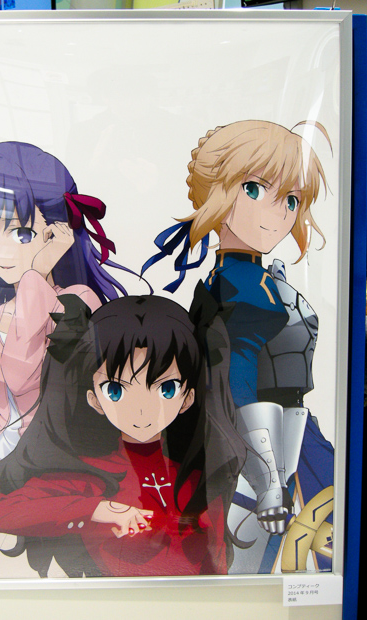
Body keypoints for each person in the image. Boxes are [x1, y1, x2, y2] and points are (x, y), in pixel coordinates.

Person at [142, 120, 334, 572]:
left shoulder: (253, 281)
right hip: (258, 454)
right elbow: (238, 378)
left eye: (291, 200)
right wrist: (268, 483)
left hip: (283, 441)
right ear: (219, 194)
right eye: (254, 189)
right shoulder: (238, 286)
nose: (279, 212)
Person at [0, 141, 131, 577]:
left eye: (20, 234)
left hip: (59, 464)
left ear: (57, 233)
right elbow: (7, 399)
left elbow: (26, 377)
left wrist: (37, 276)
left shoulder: (79, 302)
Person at [0, 292, 247, 578]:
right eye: (115, 390)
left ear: (188, 398)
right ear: (94, 400)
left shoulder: (199, 473)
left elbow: (217, 561)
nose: (141, 408)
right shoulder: (89, 474)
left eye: (166, 388)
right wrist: (97, 509)